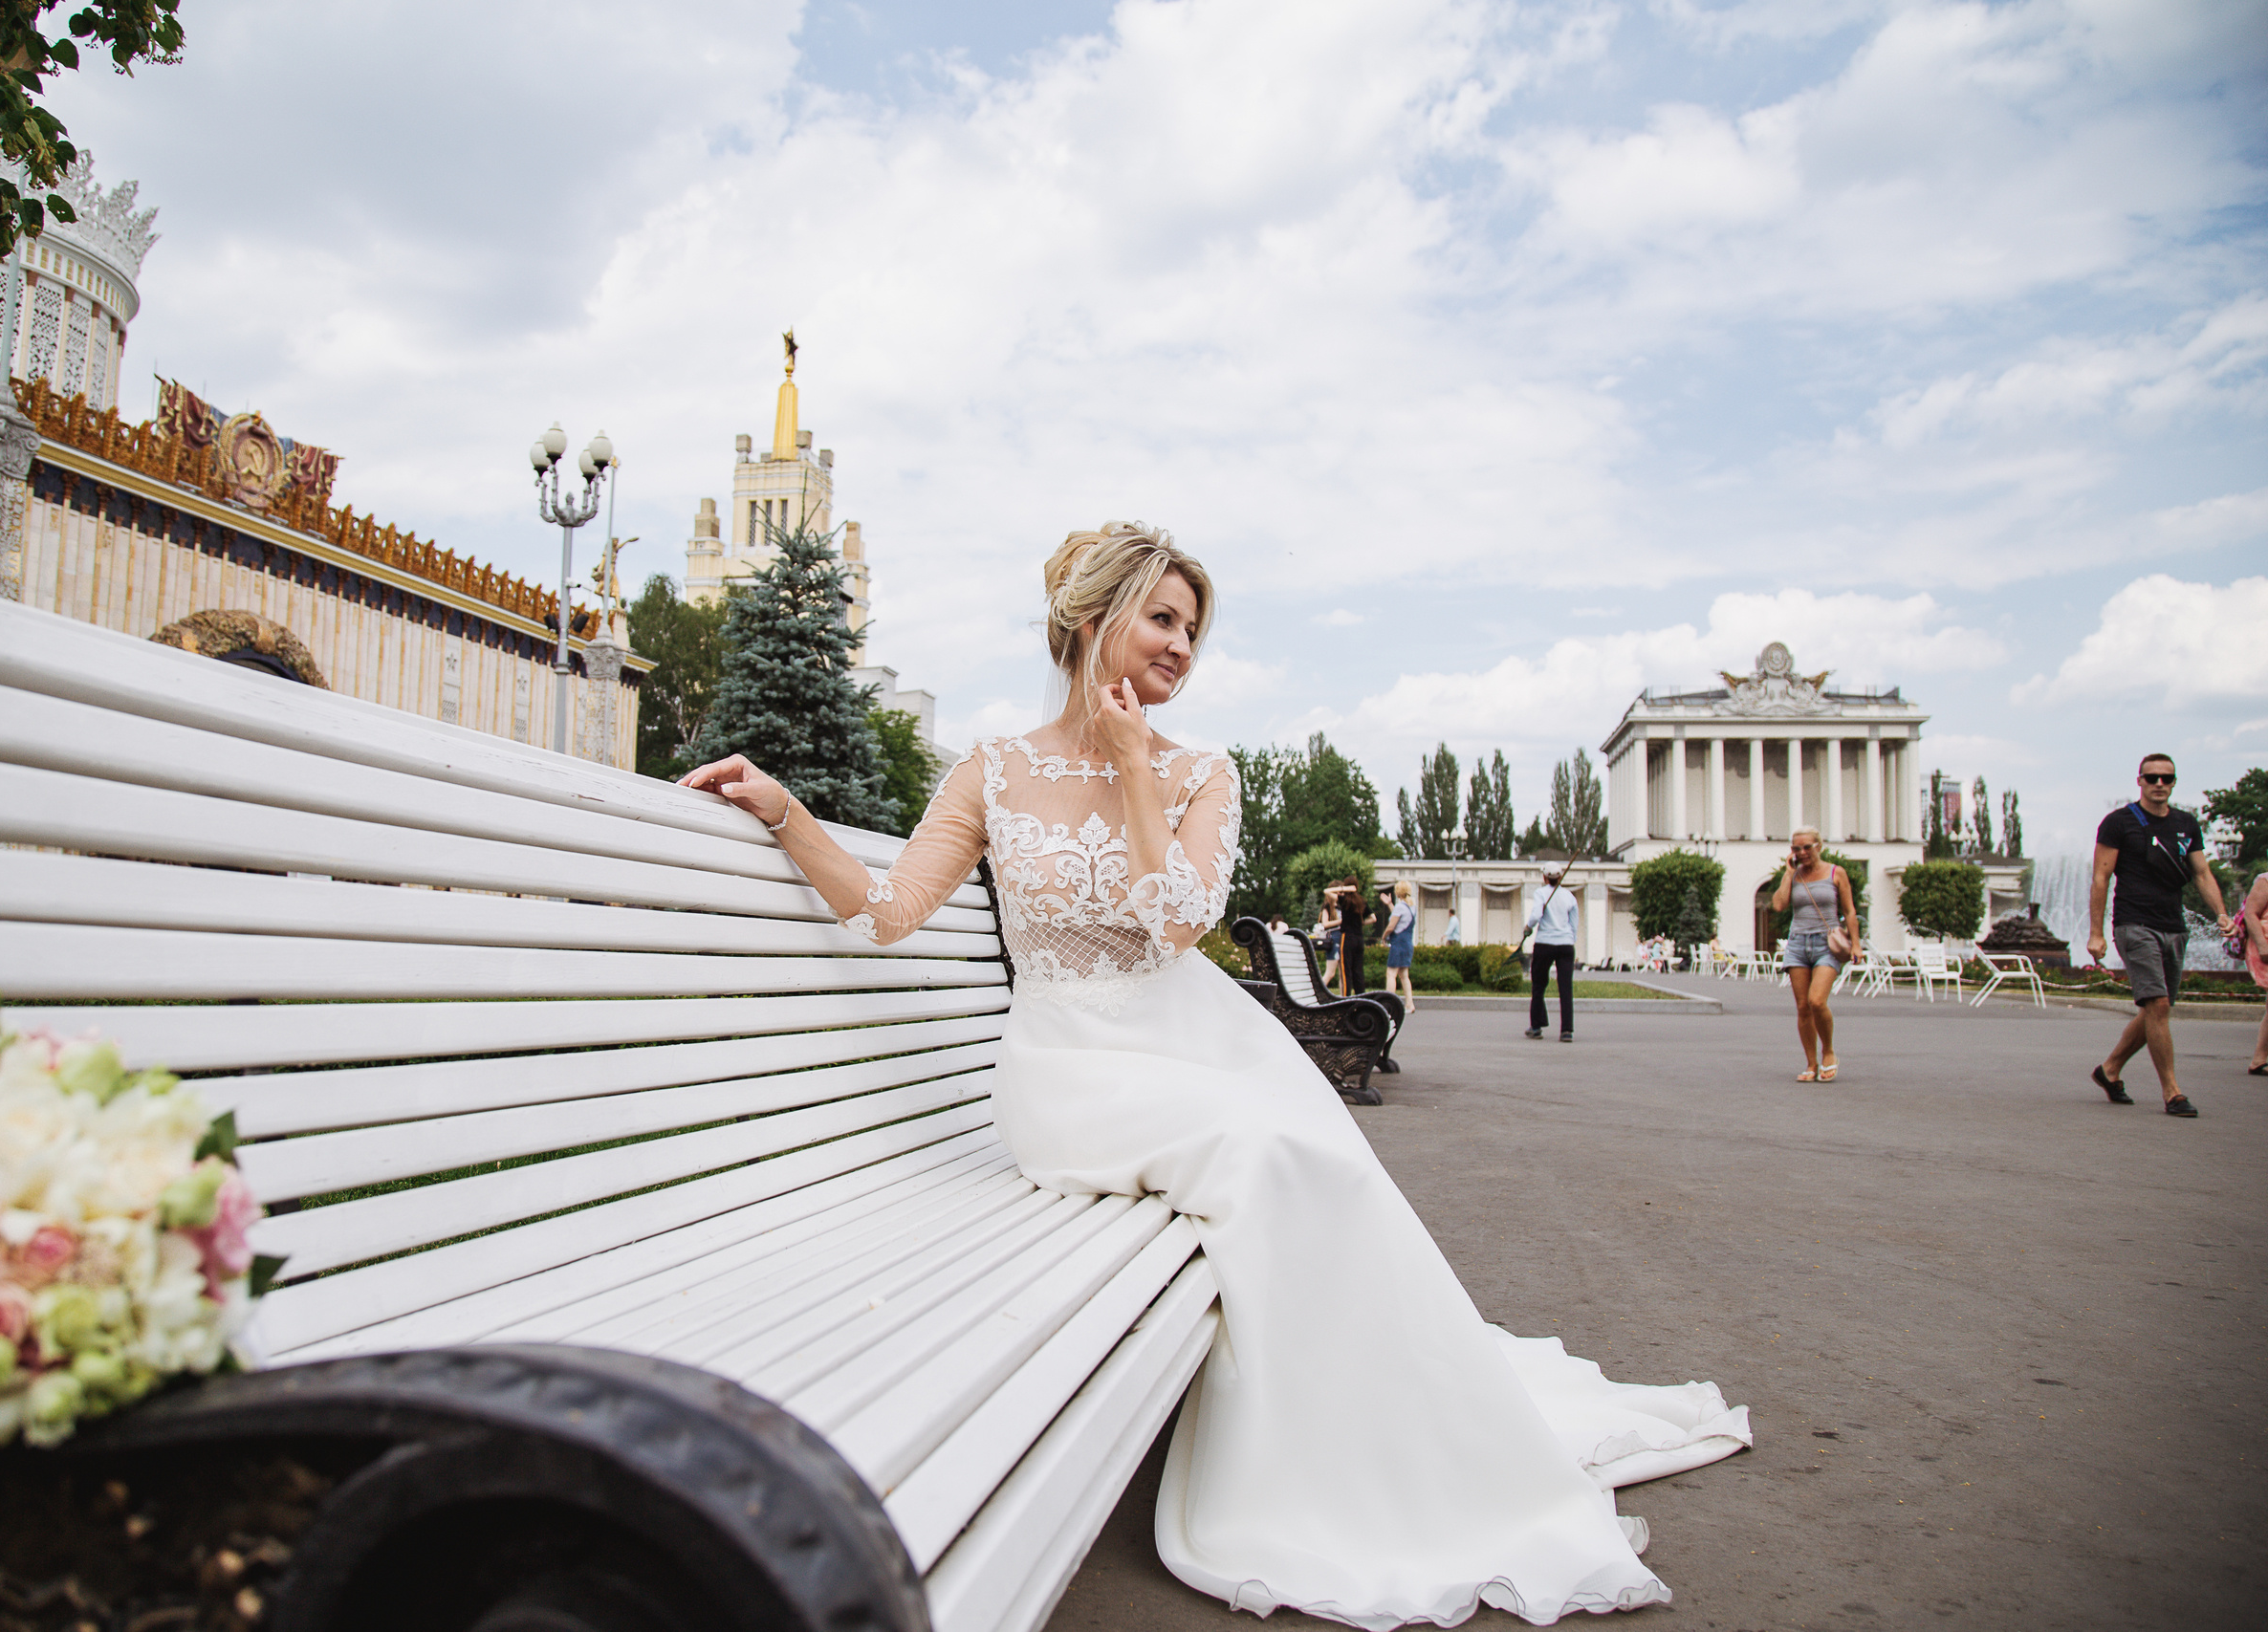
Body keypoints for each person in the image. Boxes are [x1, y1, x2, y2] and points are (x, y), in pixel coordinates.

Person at [679, 522, 1748, 1626]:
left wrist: (1137, 770)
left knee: (1308, 1155)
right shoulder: (990, 772)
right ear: (1092, 621)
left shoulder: (1199, 773)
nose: (1184, 646)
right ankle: (1306, 1461)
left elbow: (1178, 924)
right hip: (1067, 1071)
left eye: (1193, 628)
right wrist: (787, 809)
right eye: (1163, 619)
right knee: (1264, 1151)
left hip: (1199, 1042)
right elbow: (891, 912)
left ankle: (1375, 1424)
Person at [2088, 752, 2234, 1117]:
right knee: (2158, 1005)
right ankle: (2173, 1092)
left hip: (2173, 926)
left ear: (2173, 783)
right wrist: (2096, 933)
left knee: (2157, 1007)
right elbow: (2101, 878)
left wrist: (2221, 913)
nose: (2158, 784)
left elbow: (2201, 873)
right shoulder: (2118, 823)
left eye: (2166, 779)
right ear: (2139, 781)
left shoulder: (2186, 824)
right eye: (2151, 778)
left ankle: (2109, 1070)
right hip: (2134, 924)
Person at [1770, 828, 1859, 1082]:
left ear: (1819, 846)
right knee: (1802, 1007)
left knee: (1817, 1001)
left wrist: (1856, 945)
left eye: (1807, 847)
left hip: (1826, 944)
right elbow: (1778, 905)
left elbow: (1850, 911)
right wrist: (1788, 874)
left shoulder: (1835, 872)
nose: (1802, 853)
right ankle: (1811, 1062)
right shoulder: (1794, 875)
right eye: (1796, 848)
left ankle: (1828, 1051)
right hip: (1798, 944)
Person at [1524, 865, 1580, 1041]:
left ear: (1544, 877)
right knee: (1565, 988)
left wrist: (1528, 928)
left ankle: (1536, 1026)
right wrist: (1570, 939)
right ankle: (1567, 1031)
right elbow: (1574, 923)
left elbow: (1536, 915)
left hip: (1544, 943)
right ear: (1560, 877)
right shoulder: (1569, 896)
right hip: (1565, 945)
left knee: (1538, 985)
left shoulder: (1541, 893)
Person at [2241, 871, 2267, 1077]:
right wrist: (2262, 946)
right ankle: (2259, 1059)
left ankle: (2259, 1059)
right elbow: (2250, 913)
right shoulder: (2266, 880)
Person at [1330, 876, 1369, 996]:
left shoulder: (1345, 900)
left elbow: (1327, 891)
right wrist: (1360, 922)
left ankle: (1346, 998)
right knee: (1358, 970)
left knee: (1346, 970)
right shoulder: (1361, 901)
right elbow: (1373, 918)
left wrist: (1343, 889)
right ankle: (1361, 996)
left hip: (1347, 938)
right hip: (1359, 938)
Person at [1380, 880, 1418, 1006]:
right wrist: (1390, 904)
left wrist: (1384, 937)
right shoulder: (1412, 907)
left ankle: (1389, 1003)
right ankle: (1410, 1003)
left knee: (1391, 973)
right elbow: (1400, 918)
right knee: (1404, 975)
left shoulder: (1400, 907)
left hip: (1398, 945)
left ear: (1397, 892)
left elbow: (1392, 926)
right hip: (1408, 944)